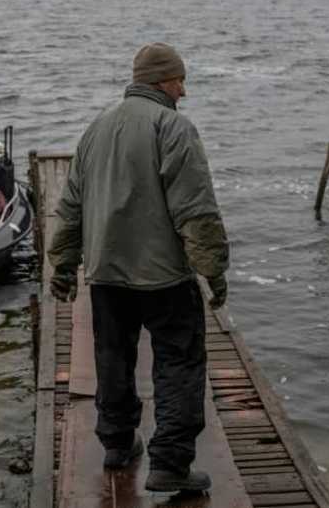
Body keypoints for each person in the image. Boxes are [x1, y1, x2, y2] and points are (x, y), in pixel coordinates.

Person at [47, 42, 230, 494]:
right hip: (164, 275)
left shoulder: (96, 129)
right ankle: (170, 463)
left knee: (113, 359)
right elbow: (196, 211)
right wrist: (214, 270)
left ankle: (117, 443)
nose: (184, 91)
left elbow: (69, 207)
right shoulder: (173, 128)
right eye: (179, 80)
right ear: (161, 82)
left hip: (106, 273)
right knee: (179, 362)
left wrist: (64, 266)